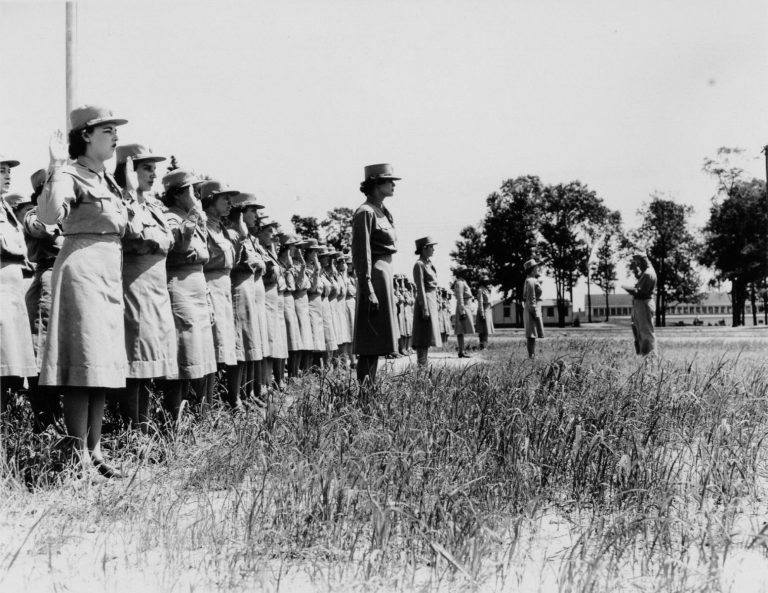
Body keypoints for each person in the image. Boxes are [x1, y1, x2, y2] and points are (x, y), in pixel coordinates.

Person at [37, 106, 130, 478]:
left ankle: (95, 451)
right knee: (82, 363)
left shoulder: (105, 179)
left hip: (107, 271)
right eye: (108, 129)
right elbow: (48, 216)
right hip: (83, 269)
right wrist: (57, 167)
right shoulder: (70, 172)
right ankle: (77, 456)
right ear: (86, 135)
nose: (115, 136)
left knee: (101, 363)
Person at [114, 144, 177, 430]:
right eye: (145, 168)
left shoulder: (152, 204)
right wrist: (128, 192)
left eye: (154, 168)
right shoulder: (122, 200)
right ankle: (134, 426)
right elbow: (134, 232)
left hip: (156, 286)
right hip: (134, 283)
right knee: (136, 355)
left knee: (150, 355)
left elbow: (168, 241)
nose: (153, 174)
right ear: (130, 170)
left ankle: (144, 419)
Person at [162, 168, 217, 419]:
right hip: (180, 285)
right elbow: (181, 247)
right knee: (184, 353)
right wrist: (195, 214)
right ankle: (176, 416)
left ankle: (203, 411)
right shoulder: (171, 217)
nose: (197, 194)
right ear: (177, 194)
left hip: (197, 283)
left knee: (203, 351)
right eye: (191, 190)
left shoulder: (190, 215)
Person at [351, 164, 400, 385]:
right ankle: (364, 392)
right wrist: (367, 286)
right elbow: (362, 253)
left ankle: (370, 388)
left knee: (378, 340)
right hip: (375, 277)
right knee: (369, 341)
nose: (393, 185)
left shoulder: (382, 211)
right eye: (389, 181)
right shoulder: (366, 212)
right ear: (376, 184)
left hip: (384, 274)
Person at [23, 167, 63, 428]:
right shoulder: (33, 213)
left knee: (60, 354)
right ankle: (44, 422)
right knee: (41, 355)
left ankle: (57, 418)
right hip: (47, 281)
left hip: (65, 280)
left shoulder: (65, 213)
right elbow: (45, 231)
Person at [1, 154, 37, 415]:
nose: (8, 175)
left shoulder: (4, 208)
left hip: (11, 296)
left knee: (9, 366)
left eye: (8, 170)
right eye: (1, 170)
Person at [201, 180, 241, 407]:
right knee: (211, 346)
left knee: (224, 346)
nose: (229, 203)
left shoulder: (221, 228)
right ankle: (205, 403)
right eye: (224, 198)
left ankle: (217, 400)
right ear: (210, 200)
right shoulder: (204, 226)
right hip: (210, 286)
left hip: (224, 288)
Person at [229, 192, 266, 404]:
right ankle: (236, 397)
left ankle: (248, 393)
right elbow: (238, 261)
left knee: (250, 342)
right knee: (240, 345)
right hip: (238, 290)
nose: (256, 215)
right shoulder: (234, 233)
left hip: (249, 291)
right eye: (251, 210)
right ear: (241, 212)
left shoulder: (249, 237)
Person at [411, 236, 442, 366]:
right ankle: (421, 366)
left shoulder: (429, 264)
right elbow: (420, 287)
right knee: (422, 335)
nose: (433, 249)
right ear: (424, 248)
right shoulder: (419, 264)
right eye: (431, 246)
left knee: (428, 335)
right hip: (425, 300)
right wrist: (424, 307)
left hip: (432, 299)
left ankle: (424, 364)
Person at [277, 233, 303, 378]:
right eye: (292, 247)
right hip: (283, 298)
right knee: (286, 339)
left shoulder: (290, 265)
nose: (295, 251)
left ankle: (294, 372)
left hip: (290, 299)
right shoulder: (280, 264)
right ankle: (284, 374)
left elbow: (298, 284)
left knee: (294, 337)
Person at [625, 252, 657, 356]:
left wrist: (625, 287)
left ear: (642, 262)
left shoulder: (648, 274)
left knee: (645, 331)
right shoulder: (647, 273)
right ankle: (644, 355)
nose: (637, 265)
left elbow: (638, 291)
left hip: (643, 304)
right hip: (641, 304)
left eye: (638, 263)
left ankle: (650, 356)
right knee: (639, 330)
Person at [291, 238, 314, 372]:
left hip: (304, 300)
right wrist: (303, 265)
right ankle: (295, 369)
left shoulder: (300, 265)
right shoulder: (294, 265)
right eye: (297, 248)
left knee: (305, 336)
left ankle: (304, 368)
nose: (300, 251)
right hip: (298, 300)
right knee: (298, 336)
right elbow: (299, 285)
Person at [303, 239, 327, 368]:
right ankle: (310, 367)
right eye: (314, 252)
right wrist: (317, 271)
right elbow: (312, 288)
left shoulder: (312, 268)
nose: (316, 255)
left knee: (318, 335)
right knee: (312, 335)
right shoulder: (306, 268)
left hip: (317, 303)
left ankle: (318, 366)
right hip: (311, 303)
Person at [522, 258, 544, 358]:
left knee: (532, 334)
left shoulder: (530, 280)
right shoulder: (531, 281)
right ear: (532, 269)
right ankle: (531, 355)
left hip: (532, 307)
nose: (537, 268)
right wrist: (534, 312)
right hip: (532, 308)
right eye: (536, 267)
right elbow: (531, 298)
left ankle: (532, 355)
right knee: (531, 334)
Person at [452, 267, 475, 358]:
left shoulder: (463, 281)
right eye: (465, 272)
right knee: (460, 330)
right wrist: (462, 311)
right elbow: (460, 297)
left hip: (466, 305)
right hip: (463, 306)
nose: (467, 273)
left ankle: (462, 350)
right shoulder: (460, 283)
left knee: (462, 330)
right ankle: (461, 351)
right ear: (461, 273)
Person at [475, 280, 495, 350]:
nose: (488, 283)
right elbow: (480, 302)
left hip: (488, 310)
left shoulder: (487, 290)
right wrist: (482, 313)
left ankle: (485, 345)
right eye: (486, 281)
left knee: (487, 330)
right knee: (482, 330)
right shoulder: (481, 290)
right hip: (484, 310)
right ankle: (482, 346)